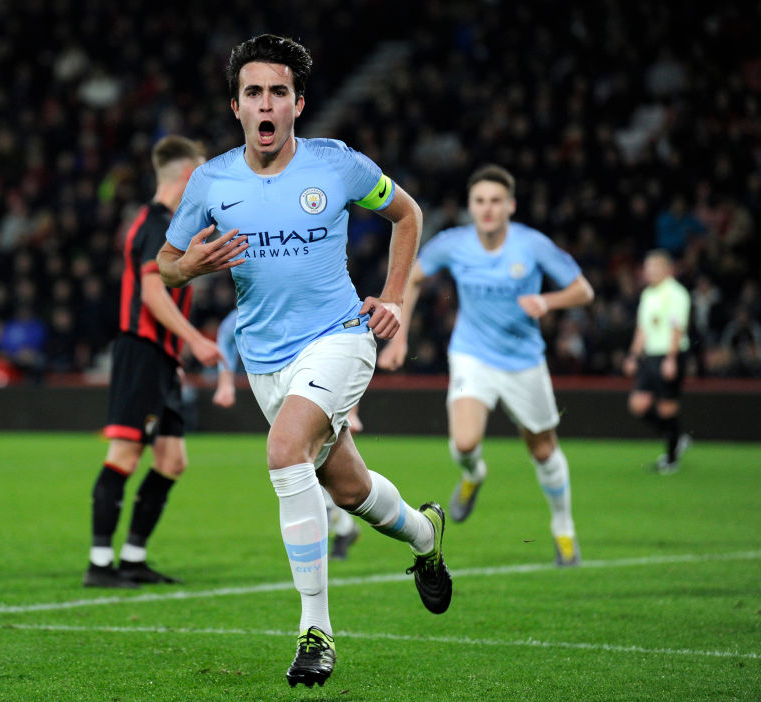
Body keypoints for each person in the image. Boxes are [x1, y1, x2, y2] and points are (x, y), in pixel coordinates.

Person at [157, 34, 451, 689]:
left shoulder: (336, 165)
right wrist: (190, 268)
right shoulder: (210, 182)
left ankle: (315, 631)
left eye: (279, 92)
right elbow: (165, 267)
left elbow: (408, 215)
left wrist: (396, 299)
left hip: (341, 337)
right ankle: (426, 538)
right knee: (350, 490)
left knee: (283, 448)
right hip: (266, 364)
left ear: (298, 103)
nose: (267, 104)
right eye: (254, 92)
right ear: (237, 106)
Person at [378, 164, 594, 568]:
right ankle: (474, 475)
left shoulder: (531, 245)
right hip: (472, 355)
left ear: (510, 205)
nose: (488, 209)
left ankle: (564, 531)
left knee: (544, 450)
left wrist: (547, 302)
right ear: (470, 207)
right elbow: (412, 277)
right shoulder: (453, 243)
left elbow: (584, 290)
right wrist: (401, 335)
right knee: (463, 443)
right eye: (480, 201)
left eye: (496, 201)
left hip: (524, 361)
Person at [84, 135, 225, 589]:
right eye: (201, 174)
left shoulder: (169, 226)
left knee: (171, 458)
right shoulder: (157, 223)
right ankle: (100, 564)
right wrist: (195, 341)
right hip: (141, 351)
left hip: (160, 356)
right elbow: (151, 292)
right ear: (187, 175)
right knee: (125, 453)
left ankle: (132, 557)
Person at [212, 308, 363, 560]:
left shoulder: (303, 300)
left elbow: (343, 343)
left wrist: (352, 410)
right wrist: (225, 382)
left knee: (313, 465)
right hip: (280, 388)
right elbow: (226, 333)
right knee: (309, 464)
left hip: (315, 386)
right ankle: (344, 529)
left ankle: (335, 537)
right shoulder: (257, 305)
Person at [622, 249, 693, 473]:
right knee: (638, 404)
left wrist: (671, 359)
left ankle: (671, 459)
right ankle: (677, 437)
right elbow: (643, 329)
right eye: (647, 268)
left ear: (667, 270)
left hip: (669, 354)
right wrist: (633, 355)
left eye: (654, 267)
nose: (649, 272)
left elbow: (677, 328)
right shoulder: (648, 295)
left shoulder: (676, 294)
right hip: (651, 356)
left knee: (666, 408)